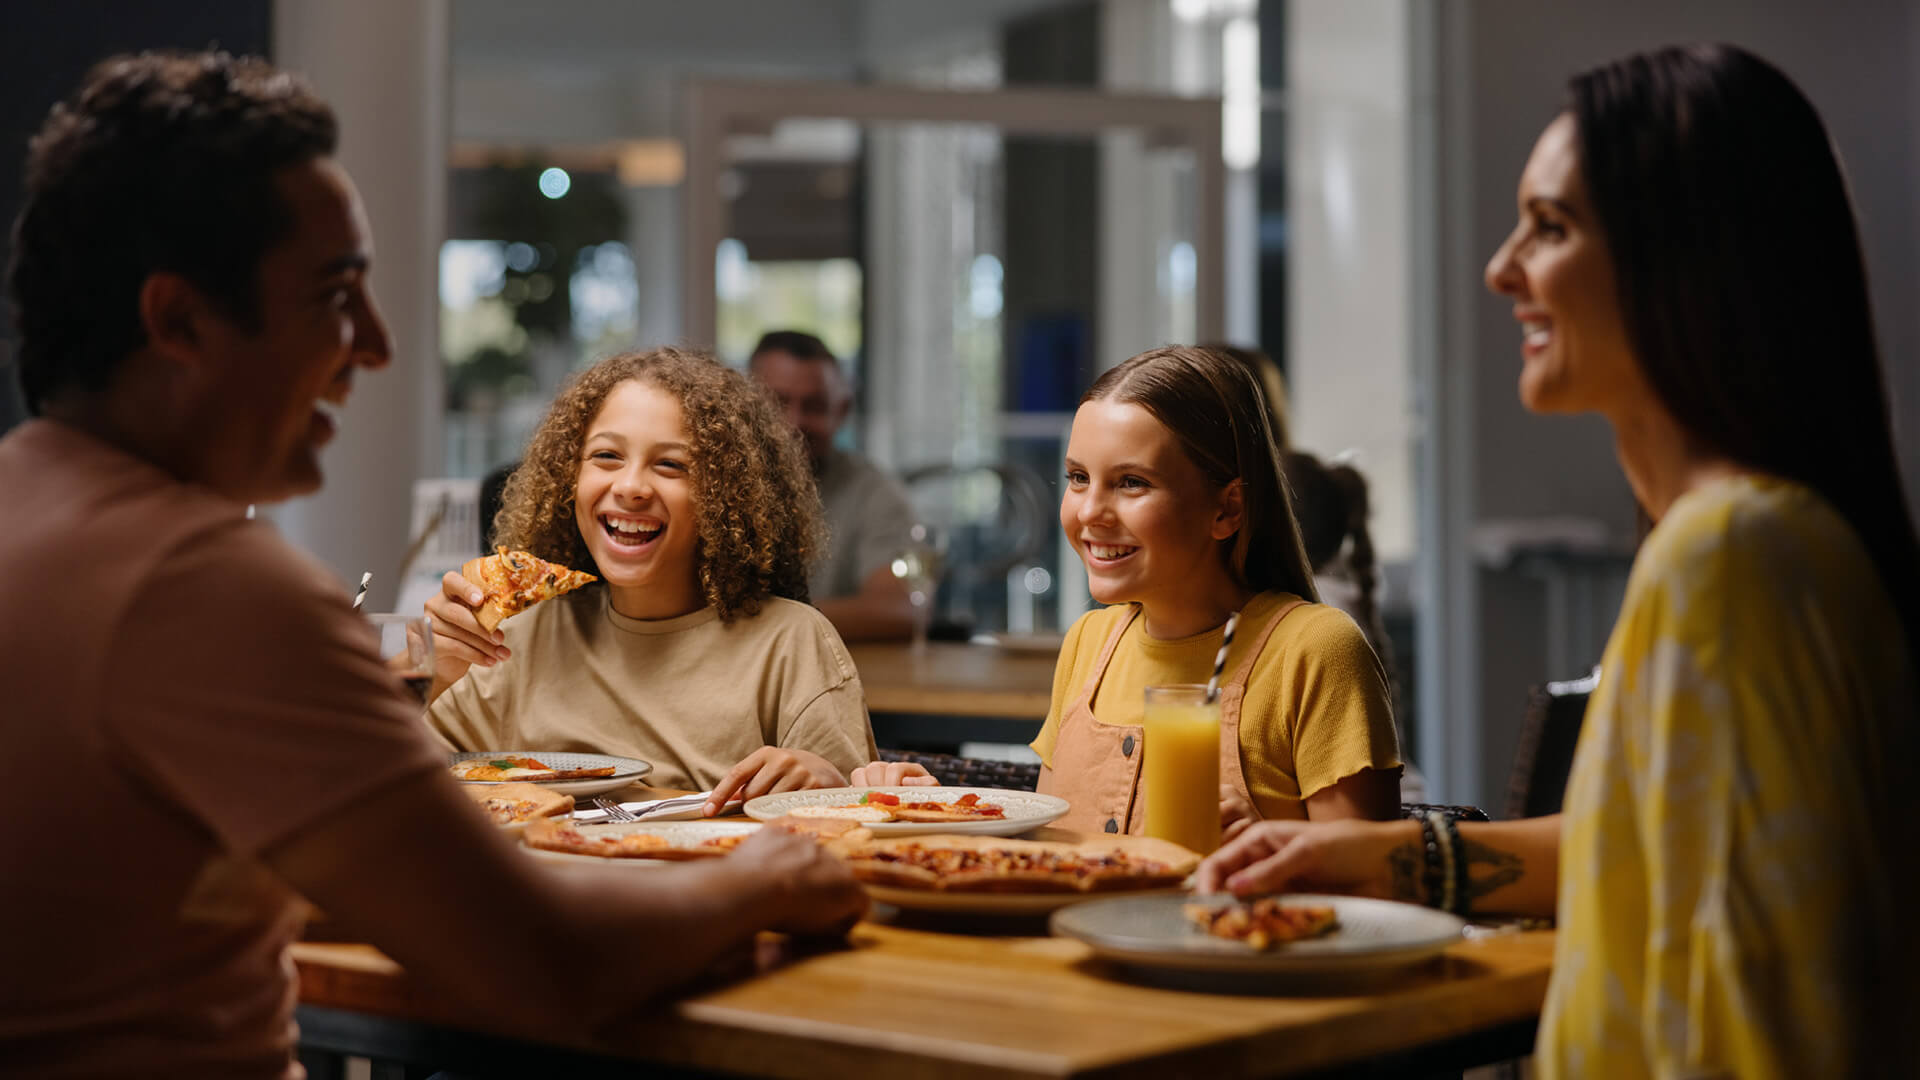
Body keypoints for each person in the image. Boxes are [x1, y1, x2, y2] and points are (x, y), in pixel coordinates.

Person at [0, 51, 864, 1078]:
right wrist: (768, 879)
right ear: (179, 320)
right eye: (336, 293)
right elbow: (543, 960)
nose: (374, 344)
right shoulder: (212, 588)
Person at [1196, 44, 1918, 1078]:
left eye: (1551, 227)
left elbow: (1770, 1007)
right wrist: (1394, 856)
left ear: (1686, 260)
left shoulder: (1731, 554)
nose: (1501, 270)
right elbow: (1641, 848)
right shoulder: (1760, 537)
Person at [858, 345, 1403, 833]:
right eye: (1078, 477)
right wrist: (937, 813)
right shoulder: (1090, 642)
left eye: (1132, 482)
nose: (1090, 511)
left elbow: (1371, 881)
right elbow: (1051, 849)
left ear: (1227, 507)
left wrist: (1269, 847)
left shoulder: (1315, 650)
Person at [425, 346, 880, 811]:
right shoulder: (513, 640)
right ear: (567, 478)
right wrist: (427, 671)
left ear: (725, 494)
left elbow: (855, 824)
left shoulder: (792, 644)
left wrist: (826, 784)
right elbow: (385, 778)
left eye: (671, 465)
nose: (630, 487)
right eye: (606, 456)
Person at [748, 330, 918, 641]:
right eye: (777, 402)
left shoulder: (873, 493)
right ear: (742, 405)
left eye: (814, 405)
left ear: (841, 410)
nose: (794, 423)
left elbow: (900, 610)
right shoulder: (699, 483)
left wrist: (754, 620)